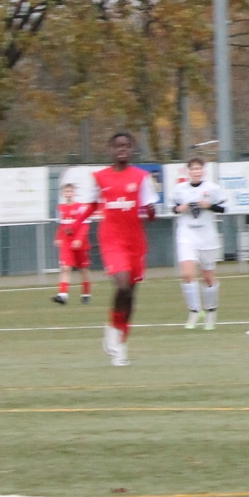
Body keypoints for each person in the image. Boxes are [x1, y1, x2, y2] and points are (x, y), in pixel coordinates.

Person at [88, 132, 158, 366]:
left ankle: (120, 341)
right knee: (122, 284)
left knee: (130, 294)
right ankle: (114, 334)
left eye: (127, 146)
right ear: (110, 149)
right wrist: (76, 227)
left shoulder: (142, 178)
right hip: (111, 239)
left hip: (135, 241)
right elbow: (91, 206)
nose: (122, 149)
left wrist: (150, 211)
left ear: (132, 150)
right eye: (118, 146)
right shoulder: (99, 178)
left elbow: (151, 211)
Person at [170, 157, 227, 330]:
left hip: (207, 237)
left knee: (208, 277)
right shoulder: (180, 189)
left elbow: (224, 208)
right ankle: (194, 311)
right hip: (186, 235)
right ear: (188, 171)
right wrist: (180, 208)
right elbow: (173, 208)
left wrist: (209, 205)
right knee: (187, 273)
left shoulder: (212, 188)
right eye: (193, 169)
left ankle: (211, 312)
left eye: (199, 168)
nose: (196, 171)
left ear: (203, 171)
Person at [52, 181, 94, 305]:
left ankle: (86, 293)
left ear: (74, 193)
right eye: (66, 191)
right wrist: (58, 237)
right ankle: (62, 295)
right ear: (63, 194)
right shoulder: (60, 208)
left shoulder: (81, 207)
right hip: (66, 242)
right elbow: (61, 225)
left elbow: (85, 226)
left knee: (83, 269)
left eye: (70, 191)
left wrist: (79, 239)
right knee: (65, 268)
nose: (68, 193)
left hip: (80, 243)